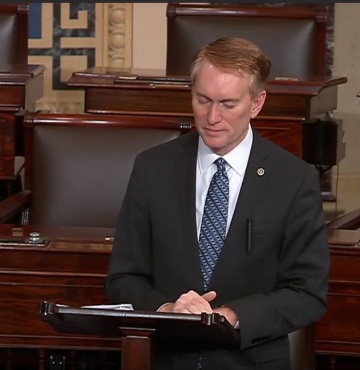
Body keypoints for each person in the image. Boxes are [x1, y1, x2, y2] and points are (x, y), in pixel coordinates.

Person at [105, 36, 329, 370]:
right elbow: (123, 279)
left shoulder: (293, 180)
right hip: (166, 358)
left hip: (250, 359)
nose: (212, 116)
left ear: (256, 103)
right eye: (203, 100)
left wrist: (228, 317)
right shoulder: (153, 168)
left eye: (227, 104)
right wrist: (167, 310)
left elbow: (307, 293)